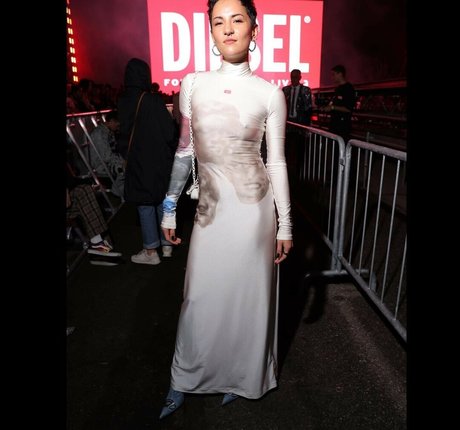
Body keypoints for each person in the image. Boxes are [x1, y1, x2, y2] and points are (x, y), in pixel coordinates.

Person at [158, 0, 293, 419]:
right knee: (198, 297)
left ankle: (241, 376)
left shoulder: (270, 93)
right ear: (212, 33)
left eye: (237, 20)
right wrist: (168, 207)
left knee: (246, 300)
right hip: (211, 211)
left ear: (254, 29)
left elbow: (276, 162)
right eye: (219, 22)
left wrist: (285, 224)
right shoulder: (193, 84)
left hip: (254, 214)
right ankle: (184, 377)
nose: (228, 29)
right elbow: (185, 151)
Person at [118, 58, 177, 264]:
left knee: (145, 204)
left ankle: (151, 251)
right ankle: (166, 244)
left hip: (137, 161)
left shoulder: (123, 101)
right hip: (159, 160)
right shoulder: (153, 100)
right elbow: (169, 133)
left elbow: (123, 135)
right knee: (161, 200)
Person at [88, 111, 125, 198]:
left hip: (107, 161)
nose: (118, 127)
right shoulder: (99, 134)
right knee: (124, 168)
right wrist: (121, 161)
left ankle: (122, 190)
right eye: (117, 124)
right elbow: (106, 156)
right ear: (111, 121)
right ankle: (119, 191)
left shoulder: (108, 132)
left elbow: (112, 152)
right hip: (100, 165)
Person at [322, 64, 355, 142]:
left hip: (343, 126)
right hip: (334, 125)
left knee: (341, 146)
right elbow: (334, 103)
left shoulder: (348, 88)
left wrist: (332, 107)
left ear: (340, 74)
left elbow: (348, 109)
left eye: (333, 74)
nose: (332, 77)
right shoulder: (338, 88)